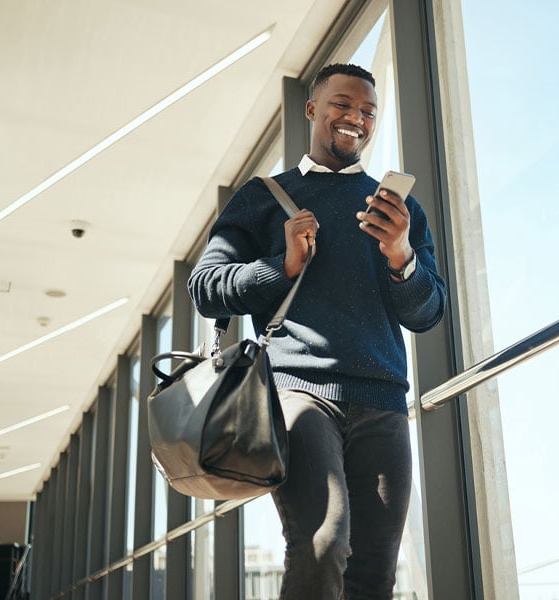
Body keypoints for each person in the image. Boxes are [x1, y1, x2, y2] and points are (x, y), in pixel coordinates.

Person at [188, 63, 446, 599]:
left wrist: (401, 258)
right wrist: (279, 266)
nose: (355, 118)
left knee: (375, 570)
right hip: (294, 391)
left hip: (383, 401)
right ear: (311, 109)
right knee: (322, 542)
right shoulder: (263, 197)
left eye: (368, 112)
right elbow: (205, 286)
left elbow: (428, 313)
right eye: (343, 104)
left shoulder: (400, 211)